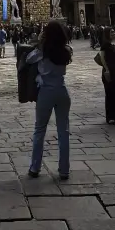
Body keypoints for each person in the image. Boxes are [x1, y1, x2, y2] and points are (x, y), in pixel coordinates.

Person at [26, 20, 72, 179]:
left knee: (40, 130)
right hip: (62, 91)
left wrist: (39, 41)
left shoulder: (43, 51)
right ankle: (64, 169)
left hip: (46, 92)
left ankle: (35, 167)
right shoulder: (66, 50)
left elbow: (28, 59)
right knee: (63, 132)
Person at [97, 27, 115, 124]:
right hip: (109, 72)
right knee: (110, 94)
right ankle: (110, 116)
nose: (114, 33)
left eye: (114, 31)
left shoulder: (111, 45)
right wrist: (107, 70)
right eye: (111, 32)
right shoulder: (105, 45)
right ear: (106, 34)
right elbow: (102, 58)